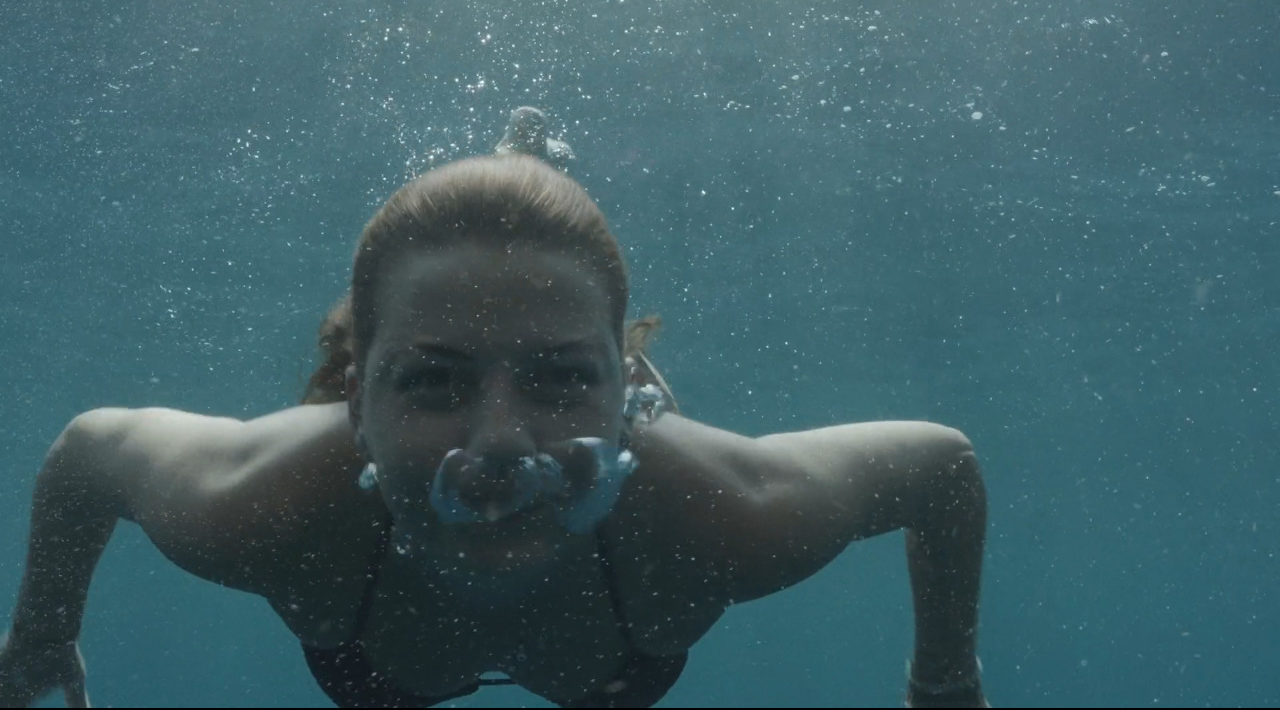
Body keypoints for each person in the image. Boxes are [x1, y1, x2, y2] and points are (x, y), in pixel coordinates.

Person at [0, 109, 989, 709]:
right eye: (432, 381)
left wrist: (940, 683)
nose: (498, 447)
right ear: (356, 397)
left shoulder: (721, 512)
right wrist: (40, 629)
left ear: (624, 391)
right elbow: (90, 453)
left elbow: (942, 468)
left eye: (563, 380)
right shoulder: (261, 501)